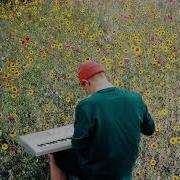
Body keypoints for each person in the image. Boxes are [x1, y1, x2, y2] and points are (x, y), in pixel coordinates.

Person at [48, 60, 156, 180]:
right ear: (104, 76)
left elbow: (78, 145)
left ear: (86, 82)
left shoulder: (86, 105)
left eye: (84, 87)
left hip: (97, 172)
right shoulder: (135, 98)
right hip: (124, 171)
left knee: (56, 155)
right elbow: (150, 129)